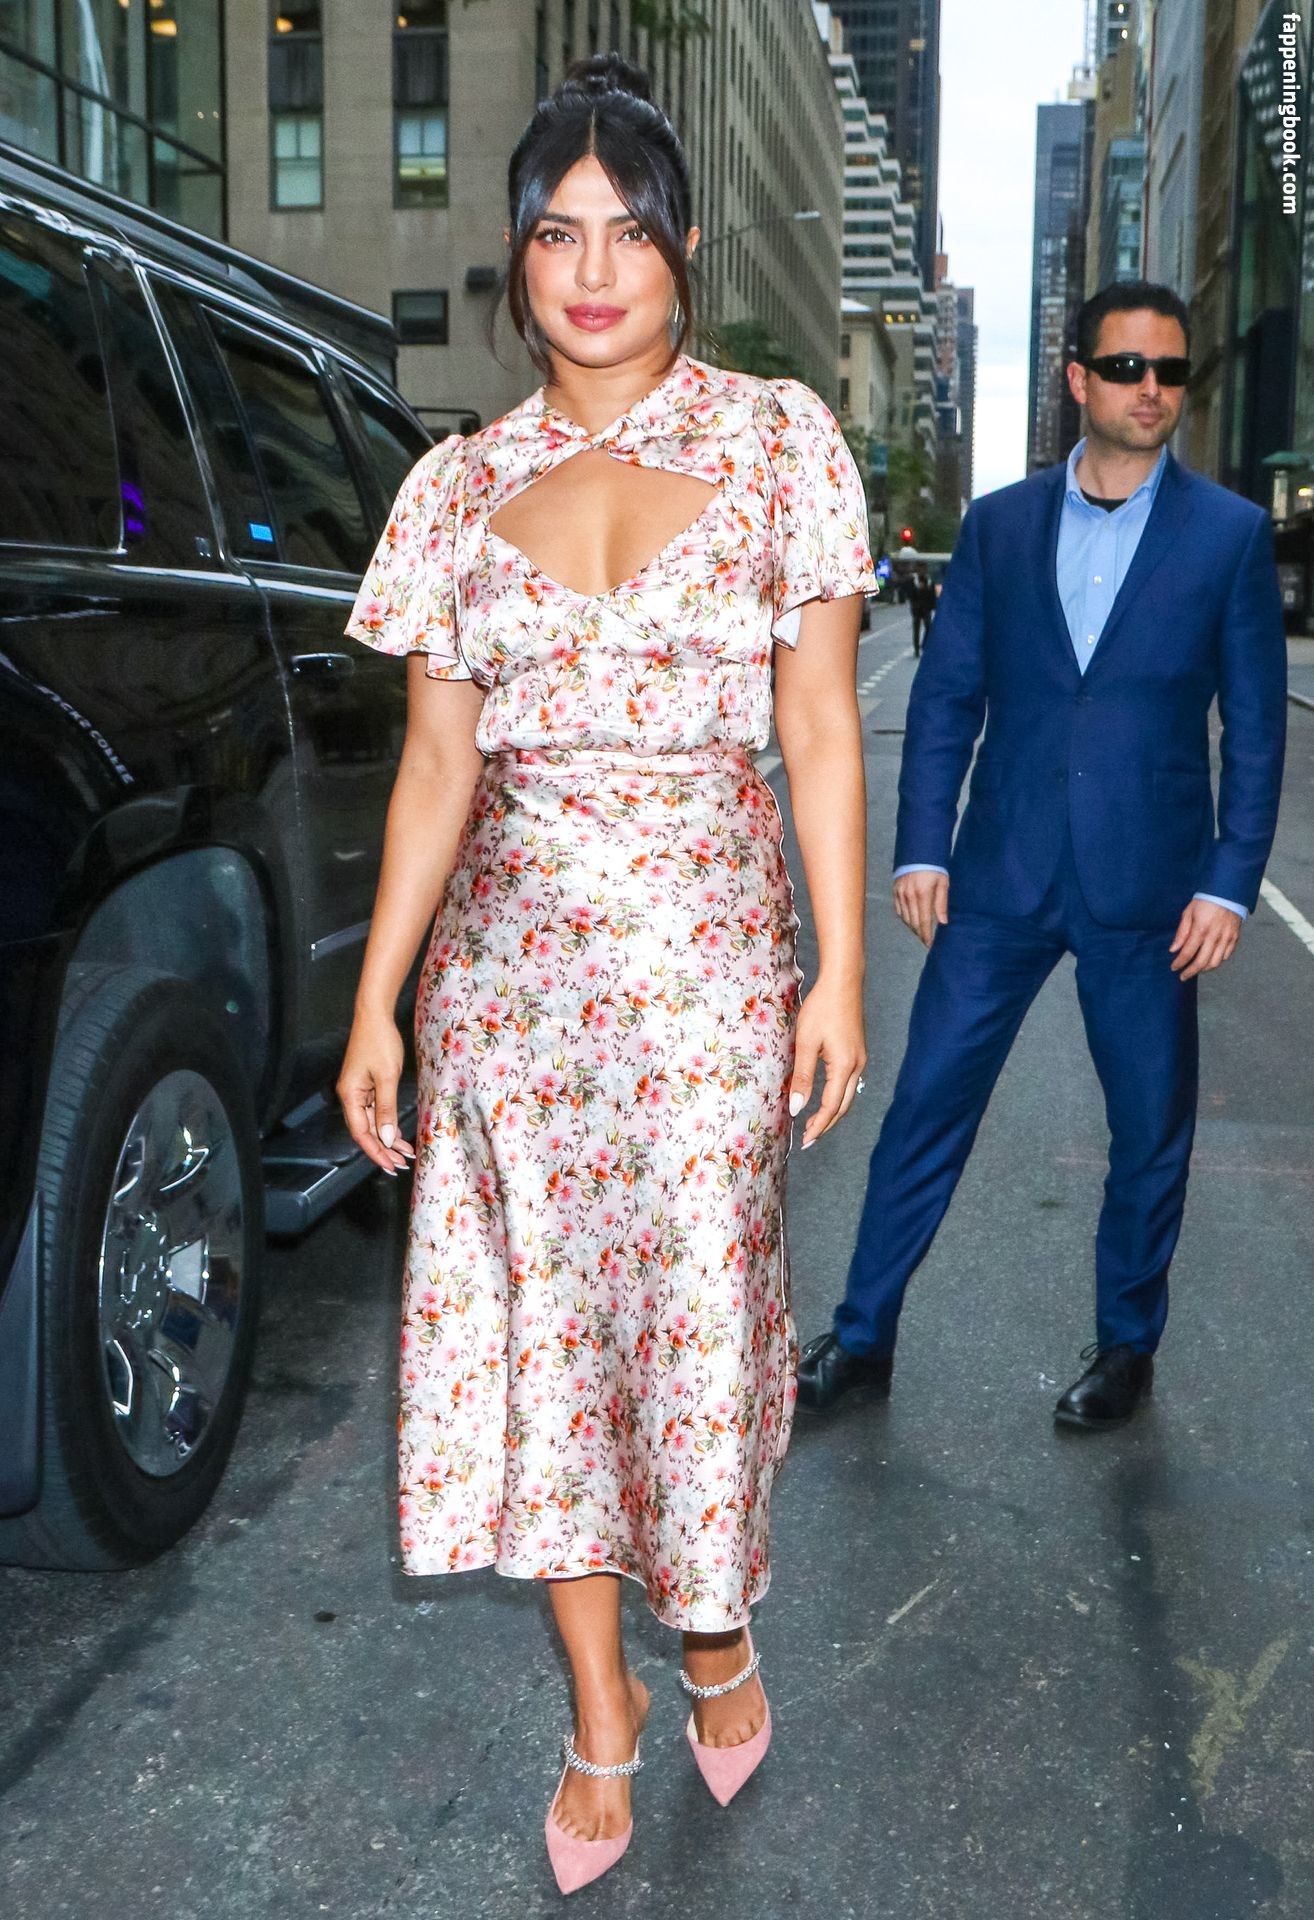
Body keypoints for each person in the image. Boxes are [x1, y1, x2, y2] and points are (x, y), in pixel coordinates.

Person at [337, 55, 874, 1897]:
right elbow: (434, 771)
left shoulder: (779, 441)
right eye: (556, 234)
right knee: (539, 1344)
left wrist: (834, 976)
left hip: (709, 982)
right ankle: (602, 1706)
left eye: (626, 232)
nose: (589, 270)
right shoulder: (451, 486)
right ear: (515, 256)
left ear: (682, 247)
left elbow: (819, 728)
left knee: (695, 1331)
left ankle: (711, 1627)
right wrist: (377, 1000)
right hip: (507, 998)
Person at [798, 279, 1286, 1431]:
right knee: (924, 1107)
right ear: (1078, 379)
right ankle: (861, 1337)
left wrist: (1228, 882)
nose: (1151, 390)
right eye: (1126, 368)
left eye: (1171, 371)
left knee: (1149, 1133)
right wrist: (922, 848)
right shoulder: (1000, 525)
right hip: (1000, 879)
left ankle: (1126, 1350)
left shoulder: (1228, 536)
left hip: (1151, 892)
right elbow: (946, 697)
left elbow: (1258, 729)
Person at [908, 567, 938, 655]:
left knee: (928, 627)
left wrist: (933, 607)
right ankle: (916, 649)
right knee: (916, 629)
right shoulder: (913, 581)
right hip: (916, 609)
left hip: (926, 609)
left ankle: (924, 644)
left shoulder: (930, 581)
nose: (922, 571)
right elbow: (910, 595)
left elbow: (933, 595)